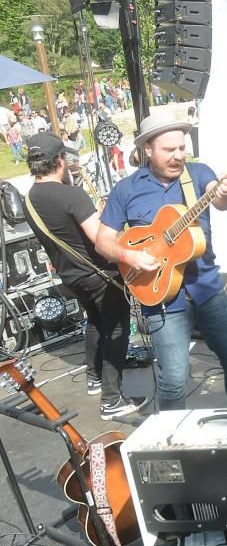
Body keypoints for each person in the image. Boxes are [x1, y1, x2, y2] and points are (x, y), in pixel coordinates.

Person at [95, 115, 227, 411]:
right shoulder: (127, 189)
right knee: (174, 380)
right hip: (162, 299)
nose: (178, 155)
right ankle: (172, 439)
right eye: (169, 150)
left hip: (208, 291)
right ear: (147, 149)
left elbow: (219, 200)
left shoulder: (199, 174)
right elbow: (103, 241)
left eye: (182, 148)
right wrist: (130, 256)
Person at [24, 133, 147, 420]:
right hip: (98, 273)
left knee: (94, 321)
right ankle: (112, 399)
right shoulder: (72, 195)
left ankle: (94, 377)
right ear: (59, 160)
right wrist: (105, 218)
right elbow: (100, 240)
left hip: (71, 276)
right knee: (117, 329)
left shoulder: (30, 198)